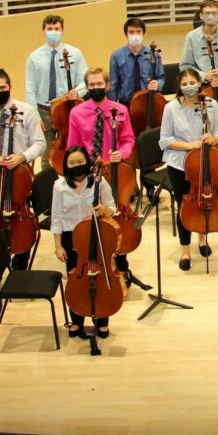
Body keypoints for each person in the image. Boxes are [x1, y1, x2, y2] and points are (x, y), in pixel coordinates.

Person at [0, 68, 46, 300]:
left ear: (10, 86)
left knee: (21, 221)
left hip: (20, 175)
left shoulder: (27, 111)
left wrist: (22, 157)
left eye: (2, 88)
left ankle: (20, 268)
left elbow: (40, 143)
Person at [66, 67, 140, 287]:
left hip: (115, 170)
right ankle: (95, 264)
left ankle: (122, 264)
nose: (96, 88)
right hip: (90, 172)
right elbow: (73, 145)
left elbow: (128, 140)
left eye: (100, 84)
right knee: (91, 219)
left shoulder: (120, 110)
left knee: (116, 214)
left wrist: (122, 153)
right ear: (87, 86)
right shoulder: (77, 113)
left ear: (107, 85)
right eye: (92, 85)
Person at [159, 68, 218, 269]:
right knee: (185, 205)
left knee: (204, 200)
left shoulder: (211, 104)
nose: (189, 87)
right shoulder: (171, 108)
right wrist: (191, 146)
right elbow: (165, 140)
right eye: (184, 84)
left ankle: (203, 239)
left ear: (199, 83)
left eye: (192, 83)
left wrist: (212, 139)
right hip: (180, 163)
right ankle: (185, 251)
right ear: (179, 86)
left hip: (205, 161)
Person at [51, 145, 118, 339]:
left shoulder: (100, 181)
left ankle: (102, 319)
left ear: (87, 163)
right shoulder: (59, 186)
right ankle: (77, 320)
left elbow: (113, 208)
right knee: (76, 280)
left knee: (100, 278)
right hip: (72, 238)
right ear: (65, 165)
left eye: (80, 162)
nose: (76, 166)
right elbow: (56, 218)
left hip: (96, 234)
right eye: (71, 163)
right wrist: (58, 246)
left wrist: (104, 210)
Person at [25, 14, 87, 171]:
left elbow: (84, 80)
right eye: (50, 29)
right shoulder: (34, 57)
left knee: (72, 148)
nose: (53, 32)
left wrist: (77, 92)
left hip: (67, 109)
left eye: (56, 29)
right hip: (44, 110)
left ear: (62, 30)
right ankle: (48, 187)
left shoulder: (75, 53)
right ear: (43, 31)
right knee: (46, 152)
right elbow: (30, 88)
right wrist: (35, 115)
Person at [108, 16, 164, 105]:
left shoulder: (154, 54)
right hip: (125, 102)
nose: (135, 35)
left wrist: (157, 84)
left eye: (138, 31)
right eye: (131, 32)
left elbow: (161, 77)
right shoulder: (116, 56)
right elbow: (113, 84)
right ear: (126, 34)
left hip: (148, 101)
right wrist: (113, 106)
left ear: (143, 33)